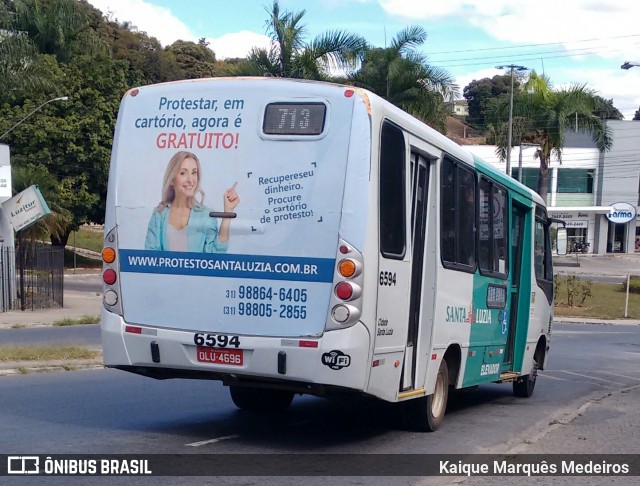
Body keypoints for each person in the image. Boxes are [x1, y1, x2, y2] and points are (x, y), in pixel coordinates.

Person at [145, 150, 240, 252]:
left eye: (194, 172)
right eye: (183, 173)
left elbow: (216, 256)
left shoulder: (207, 216)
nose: (191, 180)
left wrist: (228, 212)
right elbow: (150, 259)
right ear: (172, 179)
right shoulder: (159, 215)